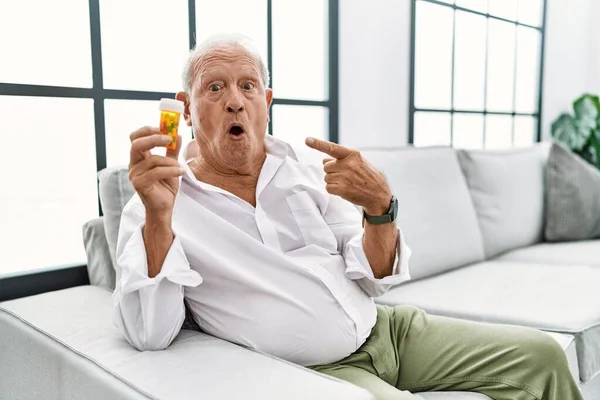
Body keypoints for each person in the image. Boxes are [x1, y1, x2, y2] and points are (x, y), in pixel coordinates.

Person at [113, 34, 583, 400]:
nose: (235, 100)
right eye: (215, 88)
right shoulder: (158, 201)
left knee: (541, 356)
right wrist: (159, 219)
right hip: (319, 371)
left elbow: (374, 278)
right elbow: (150, 333)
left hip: (388, 329)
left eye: (248, 86)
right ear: (188, 109)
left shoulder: (304, 170)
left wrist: (381, 209)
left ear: (267, 102)